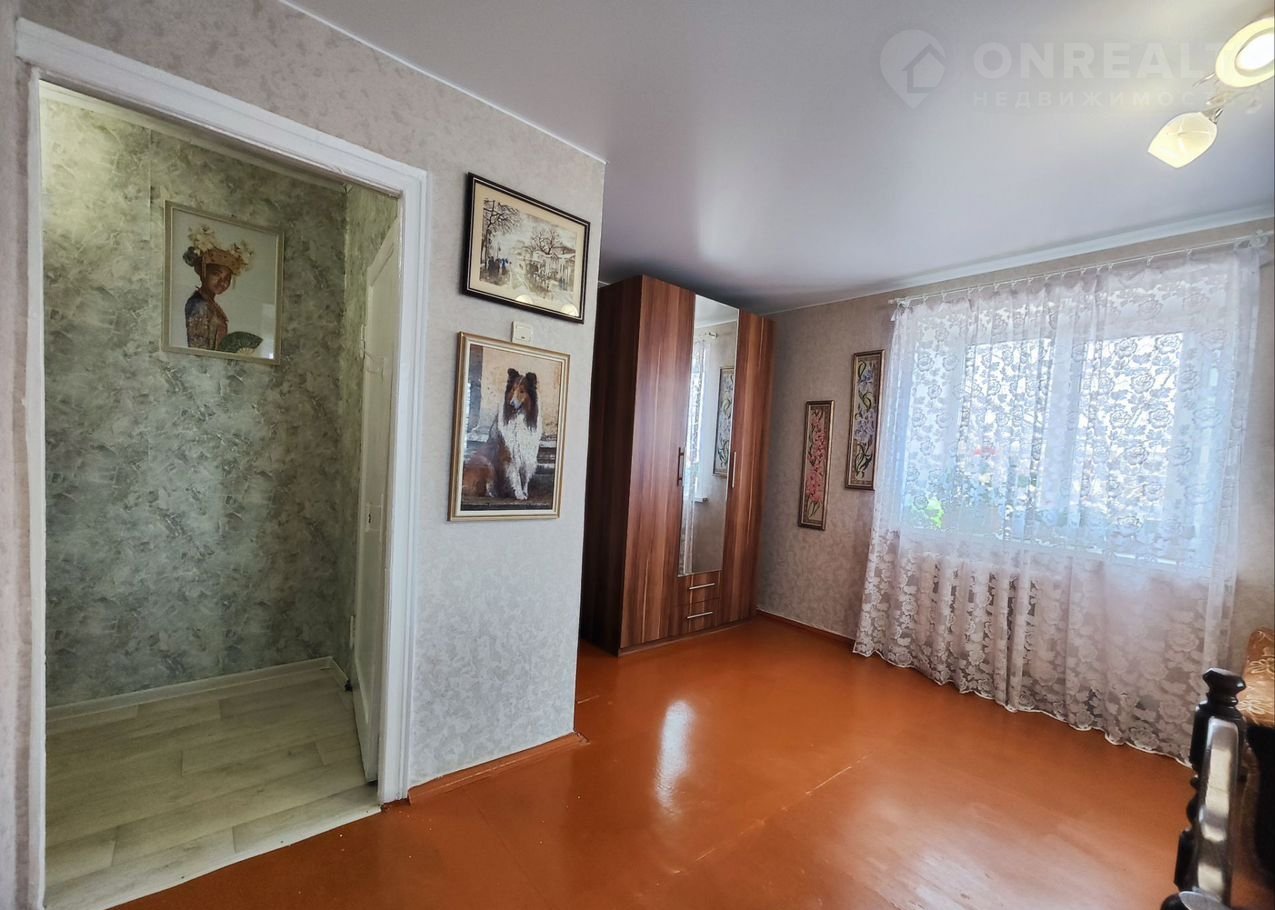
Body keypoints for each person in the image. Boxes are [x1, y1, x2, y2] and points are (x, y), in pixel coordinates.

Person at [181, 228, 258, 353]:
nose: (222, 282)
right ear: (203, 272)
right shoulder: (199, 304)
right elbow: (198, 349)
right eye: (216, 274)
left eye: (227, 279)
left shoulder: (211, 305)